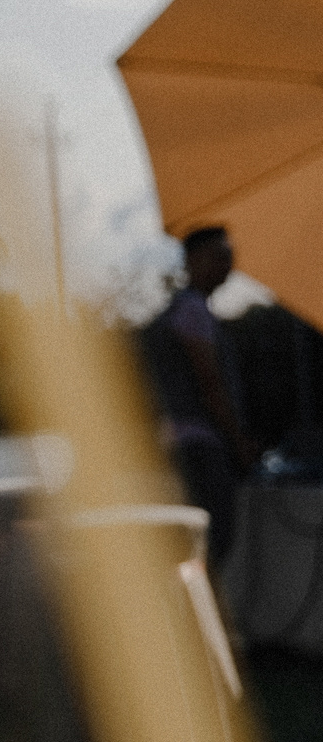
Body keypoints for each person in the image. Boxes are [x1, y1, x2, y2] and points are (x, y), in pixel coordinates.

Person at [144, 225, 251, 562]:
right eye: (219, 255)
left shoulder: (181, 309)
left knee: (190, 547)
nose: (226, 263)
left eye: (228, 256)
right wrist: (239, 442)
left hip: (176, 444)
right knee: (210, 546)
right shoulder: (192, 309)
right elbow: (210, 383)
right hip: (198, 448)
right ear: (192, 260)